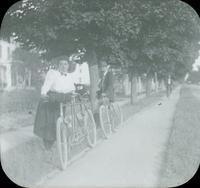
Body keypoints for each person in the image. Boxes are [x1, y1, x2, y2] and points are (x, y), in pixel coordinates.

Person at [34, 57, 77, 150]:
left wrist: (73, 93)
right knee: (49, 120)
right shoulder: (53, 73)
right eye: (61, 64)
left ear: (68, 66)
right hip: (54, 97)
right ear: (58, 66)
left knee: (64, 119)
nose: (63, 66)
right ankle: (48, 143)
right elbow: (47, 84)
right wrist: (43, 93)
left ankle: (64, 139)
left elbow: (72, 88)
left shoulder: (69, 76)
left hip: (65, 98)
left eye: (65, 64)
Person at [94, 61, 115, 127]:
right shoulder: (102, 76)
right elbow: (101, 88)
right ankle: (98, 124)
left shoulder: (110, 74)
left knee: (100, 105)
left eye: (104, 67)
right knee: (95, 106)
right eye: (101, 67)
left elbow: (110, 85)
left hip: (109, 95)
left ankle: (110, 124)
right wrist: (98, 93)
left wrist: (106, 93)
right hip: (103, 96)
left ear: (106, 67)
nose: (102, 69)